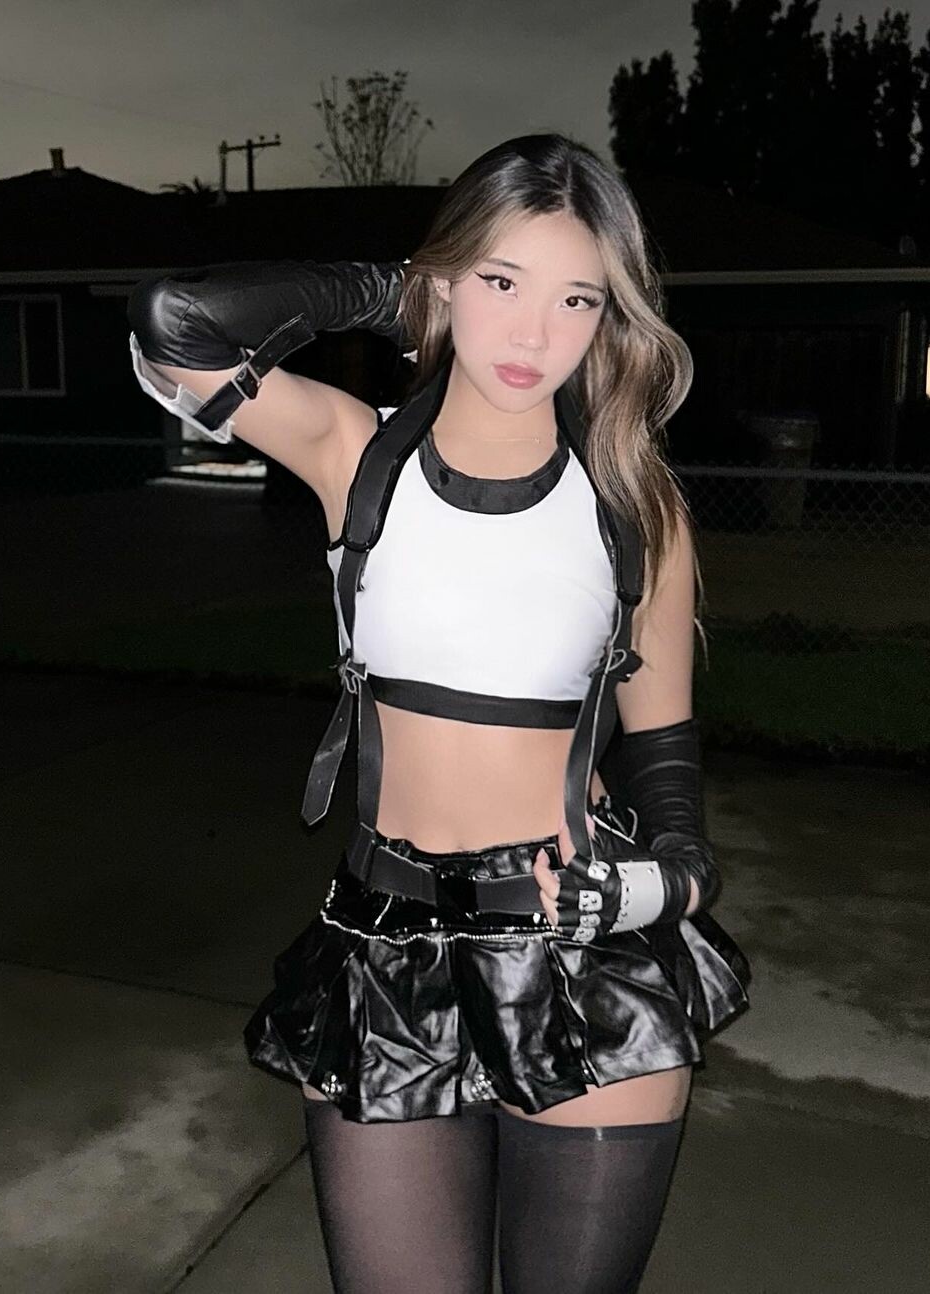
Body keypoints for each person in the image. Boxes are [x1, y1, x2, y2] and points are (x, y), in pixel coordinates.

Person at [128, 132, 751, 1294]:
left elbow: (669, 770)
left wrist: (658, 886)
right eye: (502, 281)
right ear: (449, 277)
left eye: (576, 299)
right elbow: (179, 323)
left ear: (608, 319)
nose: (532, 334)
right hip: (382, 954)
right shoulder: (352, 450)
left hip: (580, 959)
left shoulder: (635, 505)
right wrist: (398, 290)